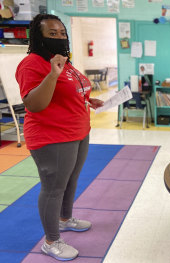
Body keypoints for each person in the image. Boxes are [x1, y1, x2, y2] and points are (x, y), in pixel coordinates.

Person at [15, 14, 104, 261]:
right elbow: (34, 104)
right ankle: (51, 241)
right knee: (53, 188)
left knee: (71, 180)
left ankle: (65, 219)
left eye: (62, 33)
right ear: (38, 36)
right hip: (52, 137)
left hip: (78, 131)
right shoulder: (32, 64)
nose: (58, 37)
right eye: (51, 33)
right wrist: (52, 74)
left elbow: (69, 91)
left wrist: (88, 99)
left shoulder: (64, 61)